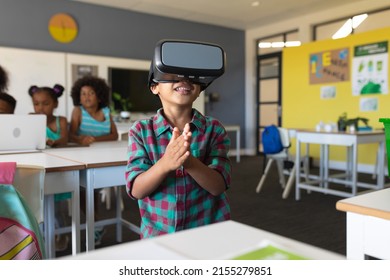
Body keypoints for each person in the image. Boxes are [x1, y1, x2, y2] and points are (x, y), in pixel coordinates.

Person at [125, 40, 232, 239]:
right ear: (154, 86)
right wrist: (166, 163)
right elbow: (137, 190)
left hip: (208, 233)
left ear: (200, 88)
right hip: (159, 236)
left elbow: (218, 186)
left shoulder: (214, 129)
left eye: (192, 77)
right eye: (172, 75)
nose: (184, 80)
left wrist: (189, 162)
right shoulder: (141, 131)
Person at [69, 75, 118, 245]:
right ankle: (96, 224)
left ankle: (96, 224)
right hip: (83, 159)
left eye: (91, 93)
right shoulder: (78, 112)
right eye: (83, 94)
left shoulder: (106, 112)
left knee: (94, 192)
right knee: (85, 192)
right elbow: (71, 135)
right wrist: (81, 140)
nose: (86, 97)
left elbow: (114, 135)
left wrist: (95, 139)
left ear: (99, 96)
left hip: (103, 159)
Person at [28, 83, 70, 251]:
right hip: (40, 167)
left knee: (59, 208)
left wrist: (54, 142)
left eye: (45, 103)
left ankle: (62, 234)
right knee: (42, 207)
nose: (40, 108)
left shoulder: (61, 120)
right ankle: (45, 237)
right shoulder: (31, 119)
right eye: (36, 103)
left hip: (59, 167)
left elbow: (64, 139)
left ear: (55, 104)